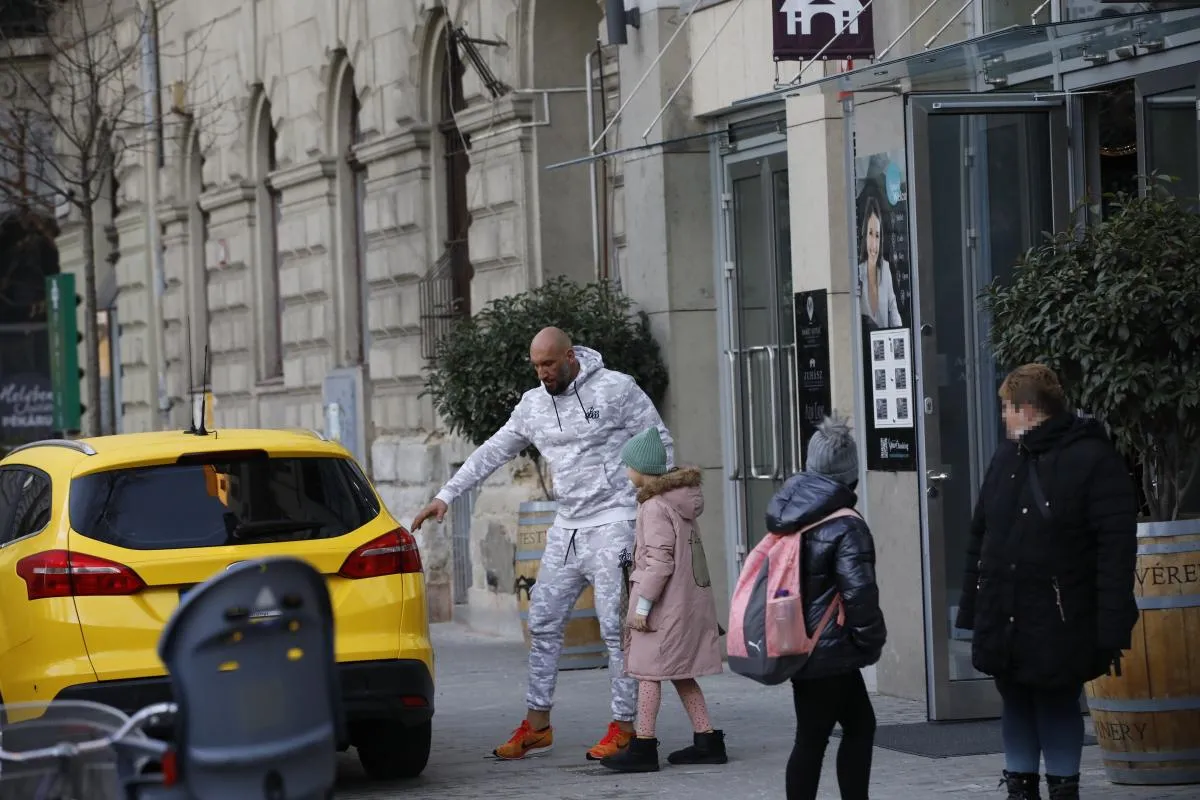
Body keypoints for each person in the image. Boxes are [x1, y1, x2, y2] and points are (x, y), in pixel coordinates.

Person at [411, 327, 674, 761]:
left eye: (549, 364)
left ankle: (625, 727)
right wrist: (446, 495)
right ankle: (537, 725)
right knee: (543, 621)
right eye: (536, 366)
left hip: (615, 521)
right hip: (566, 527)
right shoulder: (533, 404)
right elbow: (493, 450)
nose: (542, 373)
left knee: (616, 627)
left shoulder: (616, 388)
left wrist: (654, 511)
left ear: (570, 357)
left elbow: (659, 442)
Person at [955, 364, 1138, 800]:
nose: (1003, 416)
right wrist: (973, 608)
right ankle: (1019, 789)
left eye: (1006, 407)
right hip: (1005, 607)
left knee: (1056, 702)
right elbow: (981, 534)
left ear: (1027, 409)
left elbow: (1115, 549)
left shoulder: (1092, 459)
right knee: (1015, 699)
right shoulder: (1007, 457)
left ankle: (1063, 789)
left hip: (1061, 613)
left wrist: (1111, 624)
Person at [768, 415, 886, 800]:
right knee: (816, 737)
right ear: (850, 473)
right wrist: (869, 642)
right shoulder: (846, 524)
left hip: (798, 639)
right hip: (830, 647)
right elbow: (859, 593)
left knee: (855, 725)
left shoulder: (790, 512)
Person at [600, 427, 725, 774]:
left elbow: (659, 562)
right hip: (684, 604)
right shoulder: (677, 501)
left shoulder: (654, 506)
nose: (627, 471)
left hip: (663, 608)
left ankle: (643, 746)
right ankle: (707, 741)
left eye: (629, 465)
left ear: (641, 469)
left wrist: (642, 607)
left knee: (647, 674)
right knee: (681, 673)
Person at [856, 196, 902, 330]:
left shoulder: (885, 269)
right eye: (870, 234)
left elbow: (893, 309)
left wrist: (900, 334)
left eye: (877, 235)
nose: (874, 244)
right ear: (865, 236)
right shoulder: (858, 273)